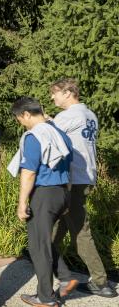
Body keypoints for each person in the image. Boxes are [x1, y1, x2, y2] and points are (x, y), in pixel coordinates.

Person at [49, 79, 117, 298]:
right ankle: (45, 257)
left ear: (68, 93)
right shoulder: (89, 115)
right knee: (58, 222)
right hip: (86, 176)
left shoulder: (67, 116)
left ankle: (100, 282)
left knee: (80, 231)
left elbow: (49, 140)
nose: (53, 98)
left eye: (56, 93)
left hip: (71, 179)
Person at [11, 96, 78, 306]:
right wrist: (65, 199)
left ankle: (46, 298)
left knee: (38, 247)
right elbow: (69, 165)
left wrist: (22, 203)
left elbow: (29, 172)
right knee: (43, 242)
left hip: (44, 194)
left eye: (19, 119)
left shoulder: (34, 136)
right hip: (62, 192)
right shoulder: (60, 134)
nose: (20, 123)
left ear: (26, 114)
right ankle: (66, 277)